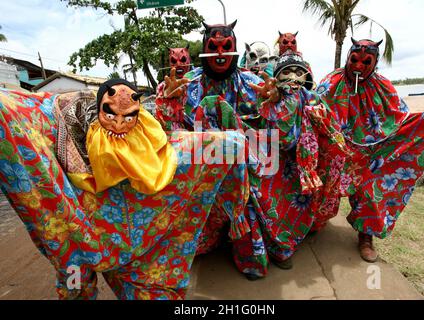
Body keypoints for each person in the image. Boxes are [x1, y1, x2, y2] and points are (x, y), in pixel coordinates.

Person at [0, 79, 250, 299]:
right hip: (100, 227)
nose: (119, 124)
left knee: (227, 146)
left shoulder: (149, 132)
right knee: (74, 266)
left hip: (149, 240)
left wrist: (235, 200)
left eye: (127, 117)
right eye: (111, 115)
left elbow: (201, 142)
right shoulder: (83, 133)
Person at [155, 21, 350, 280]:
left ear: (235, 49)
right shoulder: (186, 85)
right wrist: (168, 103)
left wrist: (278, 103)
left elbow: (282, 134)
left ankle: (267, 245)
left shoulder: (253, 82)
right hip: (204, 165)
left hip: (251, 160)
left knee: (267, 181)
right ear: (204, 49)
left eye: (227, 47)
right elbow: (172, 134)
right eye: (214, 47)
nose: (221, 53)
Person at [316, 38, 424, 262]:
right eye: (354, 60)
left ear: (375, 62)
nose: (358, 66)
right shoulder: (331, 81)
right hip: (338, 149)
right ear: (348, 57)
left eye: (366, 62)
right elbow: (316, 108)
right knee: (324, 186)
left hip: (372, 152)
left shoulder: (383, 86)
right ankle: (315, 223)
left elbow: (399, 116)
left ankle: (365, 237)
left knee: (371, 190)